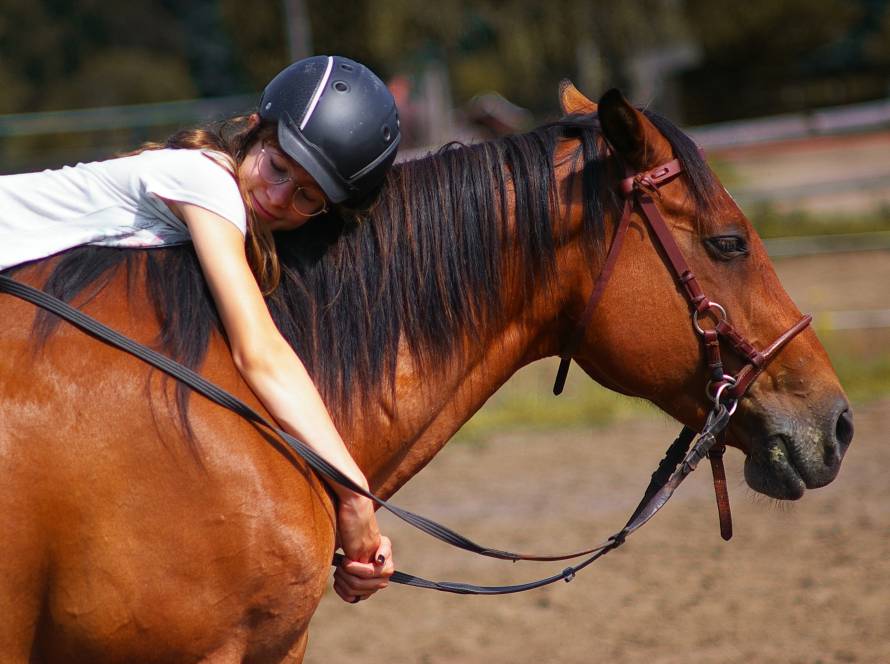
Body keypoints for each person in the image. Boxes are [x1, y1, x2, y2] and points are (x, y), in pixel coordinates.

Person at [0, 55, 401, 604]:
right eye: (278, 167)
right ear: (256, 131)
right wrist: (355, 499)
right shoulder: (207, 182)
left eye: (308, 196)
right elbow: (259, 353)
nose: (279, 197)